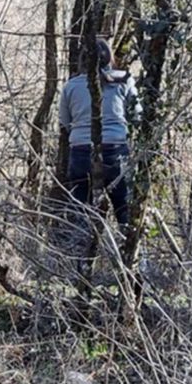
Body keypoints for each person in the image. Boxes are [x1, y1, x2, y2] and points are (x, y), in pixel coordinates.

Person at [59, 36, 141, 274]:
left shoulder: (71, 86)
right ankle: (134, 266)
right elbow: (137, 115)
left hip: (81, 153)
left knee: (80, 211)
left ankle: (80, 268)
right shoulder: (124, 80)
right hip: (116, 151)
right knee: (124, 210)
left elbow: (65, 122)